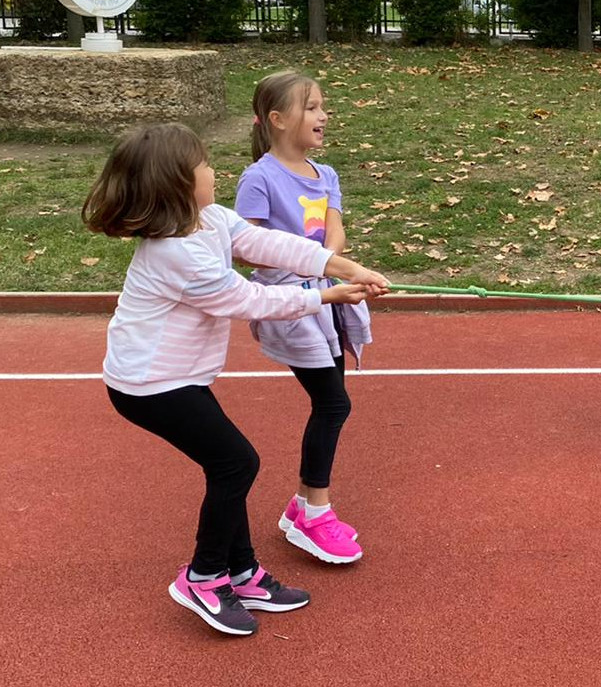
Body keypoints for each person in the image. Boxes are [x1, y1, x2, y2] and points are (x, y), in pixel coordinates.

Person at [83, 123, 388, 636]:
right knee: (236, 463)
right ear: (178, 183)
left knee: (229, 463)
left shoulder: (209, 220)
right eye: (202, 165)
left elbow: (269, 243)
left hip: (179, 377)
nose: (213, 170)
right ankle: (203, 578)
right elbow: (248, 299)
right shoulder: (174, 254)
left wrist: (341, 265)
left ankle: (242, 572)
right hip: (149, 386)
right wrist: (326, 294)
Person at [236, 70, 373, 565]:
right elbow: (244, 245)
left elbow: (335, 234)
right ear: (277, 119)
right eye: (311, 107)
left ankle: (301, 506)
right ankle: (315, 512)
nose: (323, 115)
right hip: (291, 304)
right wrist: (306, 268)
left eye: (322, 106)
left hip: (327, 295)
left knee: (330, 402)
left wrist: (329, 268)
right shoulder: (259, 178)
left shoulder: (325, 174)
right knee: (333, 404)